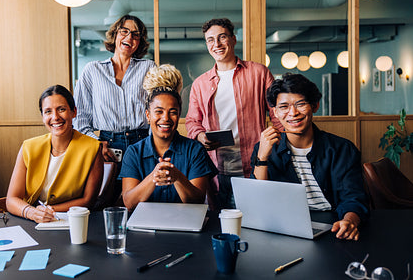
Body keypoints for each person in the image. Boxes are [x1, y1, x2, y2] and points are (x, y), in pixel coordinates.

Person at [251, 73, 369, 240]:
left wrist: (348, 222)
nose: (293, 113)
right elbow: (258, 201)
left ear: (315, 106)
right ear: (275, 112)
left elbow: (353, 198)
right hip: (284, 228)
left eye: (300, 104)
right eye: (284, 107)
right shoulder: (265, 148)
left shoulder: (342, 149)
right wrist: (262, 157)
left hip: (333, 225)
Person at [185, 18, 281, 209]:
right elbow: (192, 121)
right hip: (216, 171)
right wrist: (200, 135)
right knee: (219, 225)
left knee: (256, 223)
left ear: (234, 39)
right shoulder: (200, 84)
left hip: (255, 166)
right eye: (210, 40)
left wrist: (281, 152)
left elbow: (278, 115)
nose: (216, 44)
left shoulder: (259, 73)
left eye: (222, 37)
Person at [73, 15, 156, 203]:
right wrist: (96, 144)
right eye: (124, 31)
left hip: (141, 143)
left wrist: (151, 145)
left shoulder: (149, 68)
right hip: (106, 147)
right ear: (115, 35)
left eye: (136, 35)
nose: (129, 38)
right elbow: (80, 120)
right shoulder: (92, 70)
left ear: (140, 42)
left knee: (140, 203)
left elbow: (156, 111)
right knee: (103, 203)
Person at [120, 65, 216, 210]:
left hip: (185, 225)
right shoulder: (133, 152)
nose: (165, 118)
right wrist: (154, 177)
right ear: (148, 115)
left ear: (179, 115)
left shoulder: (195, 150)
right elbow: (129, 203)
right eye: (159, 111)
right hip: (144, 226)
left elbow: (197, 201)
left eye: (172, 112)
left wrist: (177, 177)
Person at [6, 85, 104, 223]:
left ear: (74, 112)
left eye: (61, 109)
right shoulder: (28, 147)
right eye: (48, 112)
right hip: (30, 220)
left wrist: (48, 211)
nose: (55, 117)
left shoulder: (92, 148)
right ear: (42, 117)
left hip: (71, 221)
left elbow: (88, 200)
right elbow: (11, 199)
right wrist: (32, 213)